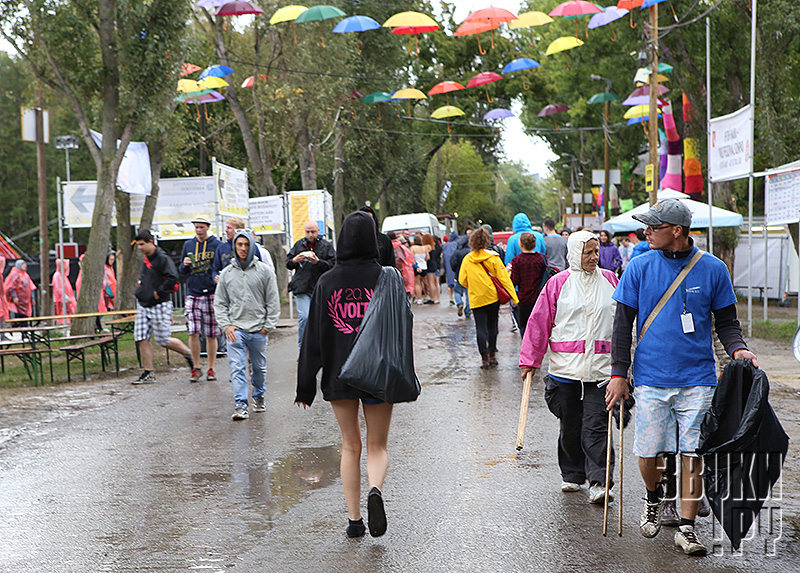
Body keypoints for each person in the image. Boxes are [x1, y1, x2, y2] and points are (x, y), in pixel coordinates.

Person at [605, 199, 757, 556]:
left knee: (693, 452)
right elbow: (622, 325)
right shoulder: (639, 267)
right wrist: (618, 374)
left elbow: (727, 323)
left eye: (653, 227)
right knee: (648, 452)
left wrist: (738, 349)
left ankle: (687, 528)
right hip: (650, 377)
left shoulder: (713, 269)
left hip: (698, 378)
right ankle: (654, 496)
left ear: (677, 230)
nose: (645, 232)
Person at [295, 211, 396, 539]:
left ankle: (354, 521)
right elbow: (400, 331)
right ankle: (375, 489)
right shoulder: (387, 278)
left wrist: (305, 386)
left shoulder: (327, 281)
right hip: (378, 373)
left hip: (339, 374)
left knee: (350, 445)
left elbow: (313, 337)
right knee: (377, 446)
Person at [520, 230, 619, 503]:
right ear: (575, 253)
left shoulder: (610, 280)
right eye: (588, 252)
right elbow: (539, 323)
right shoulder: (558, 283)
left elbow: (623, 321)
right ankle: (573, 473)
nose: (594, 257)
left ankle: (600, 481)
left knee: (597, 425)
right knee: (570, 425)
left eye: (596, 252)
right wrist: (530, 360)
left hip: (601, 370)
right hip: (565, 370)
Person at [214, 231, 280, 421]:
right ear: (234, 247)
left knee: (259, 368)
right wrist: (226, 325)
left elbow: (273, 300)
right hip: (236, 330)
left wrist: (268, 326)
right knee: (237, 367)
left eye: (246, 245)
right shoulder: (227, 273)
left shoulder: (264, 271)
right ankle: (241, 404)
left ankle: (258, 395)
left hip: (259, 329)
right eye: (239, 245)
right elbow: (220, 302)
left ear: (252, 246)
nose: (243, 248)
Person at [132, 230, 194, 385]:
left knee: (163, 339)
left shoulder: (162, 258)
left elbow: (173, 278)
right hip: (143, 304)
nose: (140, 248)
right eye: (138, 245)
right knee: (141, 337)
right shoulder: (146, 259)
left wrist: (158, 293)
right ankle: (148, 372)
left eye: (142, 244)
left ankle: (189, 354)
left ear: (150, 242)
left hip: (159, 304)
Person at [458, 227, 518, 369]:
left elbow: (462, 280)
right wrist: (514, 298)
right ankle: (492, 355)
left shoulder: (467, 259)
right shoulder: (493, 258)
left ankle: (484, 358)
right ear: (486, 241)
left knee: (480, 327)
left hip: (476, 298)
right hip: (492, 297)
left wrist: (473, 284)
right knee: (492, 326)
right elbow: (504, 279)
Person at [180, 216, 223, 382]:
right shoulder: (188, 244)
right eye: (196, 227)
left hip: (211, 293)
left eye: (201, 227)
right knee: (193, 332)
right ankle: (196, 367)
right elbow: (181, 271)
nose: (199, 230)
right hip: (193, 293)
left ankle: (211, 368)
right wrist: (184, 264)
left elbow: (219, 267)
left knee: (211, 334)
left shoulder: (216, 245)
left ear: (207, 227)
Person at [286, 220, 336, 349]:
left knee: (321, 319)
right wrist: (295, 260)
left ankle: (320, 347)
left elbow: (333, 266)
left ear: (318, 231)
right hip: (302, 287)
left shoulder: (326, 246)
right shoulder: (299, 245)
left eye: (313, 232)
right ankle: (303, 347)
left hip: (321, 288)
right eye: (307, 232)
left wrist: (318, 262)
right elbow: (288, 263)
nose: (310, 234)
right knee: (304, 317)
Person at [510, 232, 547, 338]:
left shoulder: (517, 260)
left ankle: (526, 345)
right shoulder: (541, 258)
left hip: (524, 298)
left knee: (524, 326)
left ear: (521, 245)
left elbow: (515, 281)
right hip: (539, 297)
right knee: (538, 326)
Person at [213, 217, 263, 281]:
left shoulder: (252, 247)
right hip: (228, 284)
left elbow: (259, 266)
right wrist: (215, 277)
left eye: (229, 228)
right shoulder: (221, 248)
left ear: (238, 230)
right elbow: (215, 269)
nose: (226, 230)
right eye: (226, 227)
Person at [76, 252, 117, 331]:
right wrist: (110, 294)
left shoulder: (108, 269)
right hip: (99, 295)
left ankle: (97, 327)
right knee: (97, 311)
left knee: (98, 311)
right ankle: (96, 327)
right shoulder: (103, 270)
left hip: (102, 295)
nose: (112, 261)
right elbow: (106, 283)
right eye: (111, 259)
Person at [5, 260, 36, 325]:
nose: (25, 266)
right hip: (18, 301)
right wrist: (14, 296)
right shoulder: (15, 274)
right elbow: (11, 286)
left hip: (25, 301)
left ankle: (23, 327)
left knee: (25, 317)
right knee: (18, 316)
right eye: (23, 264)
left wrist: (32, 298)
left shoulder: (25, 275)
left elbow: (31, 287)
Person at [450, 232, 472, 319]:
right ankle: (468, 311)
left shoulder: (457, 252)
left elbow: (453, 264)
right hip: (469, 276)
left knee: (457, 292)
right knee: (468, 294)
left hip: (458, 275)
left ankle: (459, 303)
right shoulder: (470, 252)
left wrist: (455, 270)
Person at [388, 232, 414, 298]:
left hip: (394, 271)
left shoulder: (389, 246)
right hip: (404, 271)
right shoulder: (401, 247)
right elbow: (409, 259)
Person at [52, 259, 76, 323]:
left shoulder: (64, 276)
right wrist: (66, 297)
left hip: (66, 300)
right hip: (61, 300)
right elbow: (59, 289)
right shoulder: (57, 275)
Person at [410, 235, 429, 305]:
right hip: (424, 266)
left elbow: (411, 258)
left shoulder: (413, 248)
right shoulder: (424, 248)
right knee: (425, 282)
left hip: (417, 267)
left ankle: (419, 298)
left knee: (417, 283)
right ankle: (427, 296)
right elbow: (427, 257)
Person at [442, 230, 459, 305]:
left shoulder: (446, 245)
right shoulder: (457, 244)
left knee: (449, 283)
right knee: (457, 282)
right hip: (456, 265)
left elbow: (444, 257)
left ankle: (451, 298)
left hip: (448, 265)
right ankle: (458, 298)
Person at [422, 234, 440, 304]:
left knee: (431, 282)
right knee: (434, 282)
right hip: (434, 264)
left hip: (429, 265)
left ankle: (432, 298)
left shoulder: (426, 247)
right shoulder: (433, 247)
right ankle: (435, 297)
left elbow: (427, 257)